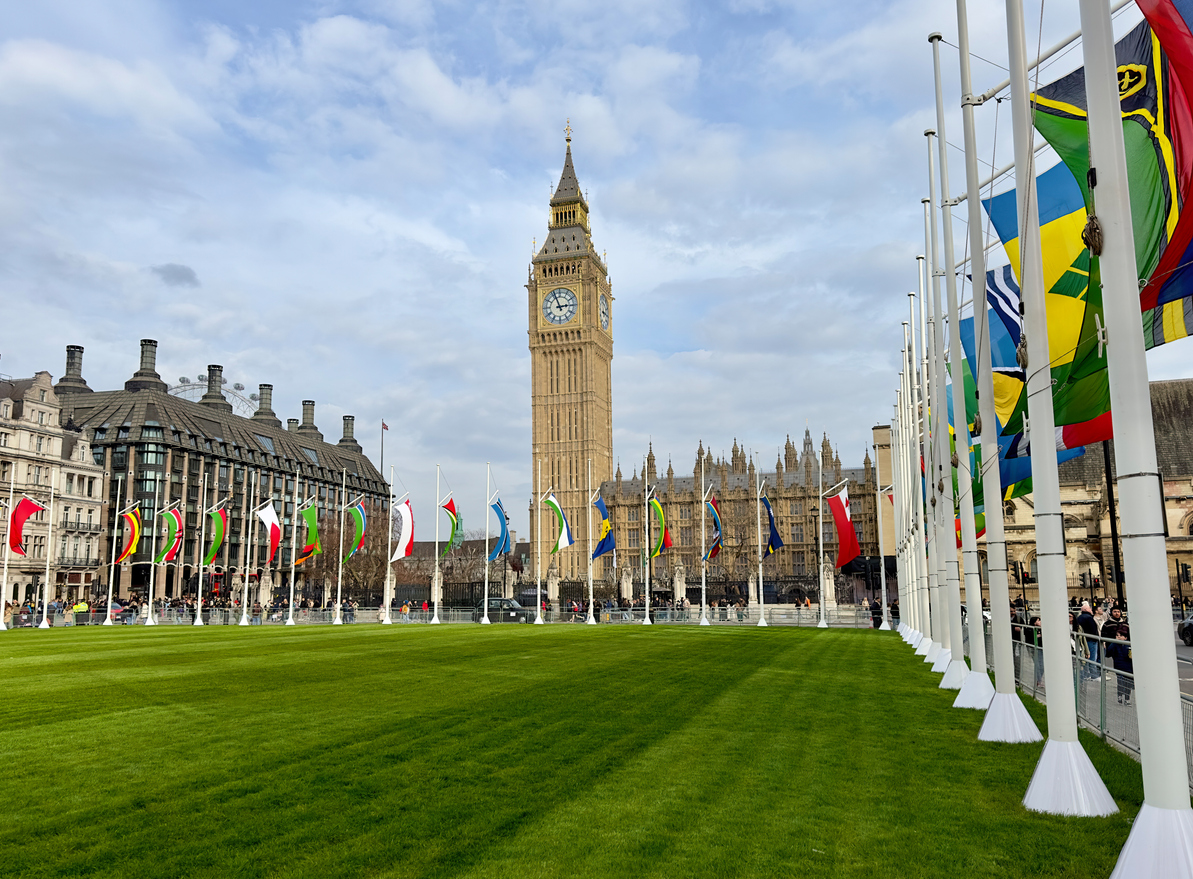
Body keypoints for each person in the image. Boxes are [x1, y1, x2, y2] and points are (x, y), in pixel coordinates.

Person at [1105, 625, 1134, 703]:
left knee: (1128, 684)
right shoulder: (1114, 644)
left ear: (1125, 637)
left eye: (1121, 636)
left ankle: (1127, 698)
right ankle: (1120, 696)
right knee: (1120, 682)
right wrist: (1113, 643)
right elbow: (1108, 653)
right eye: (1117, 635)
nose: (1118, 637)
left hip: (1128, 667)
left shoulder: (1129, 645)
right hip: (1119, 666)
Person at [1074, 603, 1100, 679]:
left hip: (1085, 640)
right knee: (1092, 659)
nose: (1091, 610)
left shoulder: (1079, 617)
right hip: (1091, 640)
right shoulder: (1089, 618)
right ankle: (1094, 675)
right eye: (1089, 608)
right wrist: (1096, 638)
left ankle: (1086, 674)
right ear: (1085, 609)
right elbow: (1093, 630)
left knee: (1085, 658)